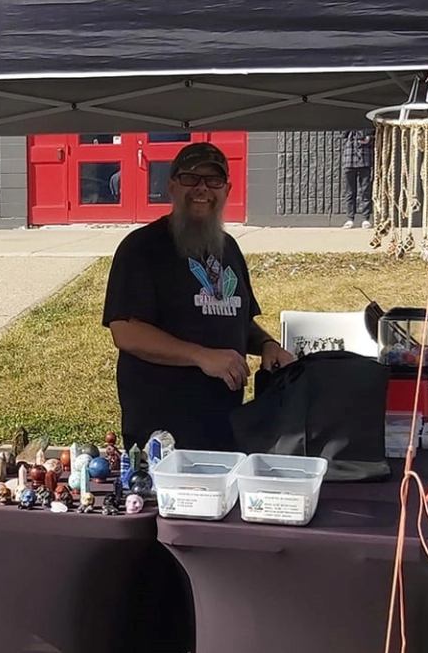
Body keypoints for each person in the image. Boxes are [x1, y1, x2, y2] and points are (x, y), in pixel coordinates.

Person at [102, 142, 292, 453]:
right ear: (172, 186)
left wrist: (267, 345)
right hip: (163, 428)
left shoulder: (228, 248)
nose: (202, 189)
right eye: (190, 178)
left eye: (213, 180)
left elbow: (237, 318)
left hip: (224, 422)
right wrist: (202, 356)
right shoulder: (142, 248)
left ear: (227, 190)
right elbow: (125, 331)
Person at [341, 127, 373, 229]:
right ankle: (350, 218)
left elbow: (374, 134)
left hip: (365, 159)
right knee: (350, 192)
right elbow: (343, 134)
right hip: (349, 159)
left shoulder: (367, 125)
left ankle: (366, 218)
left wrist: (368, 137)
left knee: (366, 191)